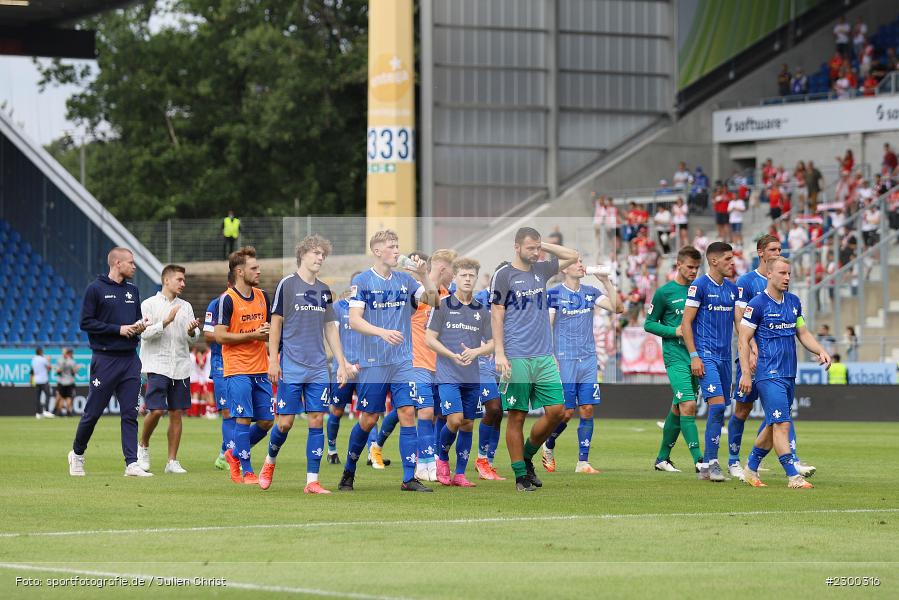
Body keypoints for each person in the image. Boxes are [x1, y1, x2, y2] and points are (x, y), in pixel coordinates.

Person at [338, 230, 440, 493]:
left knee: (407, 412)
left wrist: (424, 274)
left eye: (397, 246)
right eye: (391, 246)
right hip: (373, 362)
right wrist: (383, 332)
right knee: (369, 418)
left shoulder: (406, 280)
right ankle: (349, 471)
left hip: (403, 360)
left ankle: (408, 479)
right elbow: (354, 320)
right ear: (377, 250)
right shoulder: (362, 281)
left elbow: (435, 300)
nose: (397, 250)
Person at [491, 227, 579, 491]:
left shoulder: (541, 269)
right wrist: (499, 353)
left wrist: (546, 247)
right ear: (516, 247)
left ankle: (527, 455)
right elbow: (497, 314)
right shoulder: (503, 275)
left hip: (543, 356)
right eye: (530, 247)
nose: (535, 252)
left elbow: (573, 256)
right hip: (516, 356)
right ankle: (520, 475)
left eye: (537, 247)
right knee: (517, 416)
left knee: (557, 412)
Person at [263, 235, 349, 493]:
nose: (320, 258)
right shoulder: (286, 285)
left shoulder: (324, 290)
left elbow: (331, 330)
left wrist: (342, 364)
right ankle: (270, 461)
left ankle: (312, 480)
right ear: (303, 255)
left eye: (323, 254)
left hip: (318, 367)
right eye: (316, 253)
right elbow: (275, 323)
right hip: (291, 364)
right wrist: (273, 359)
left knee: (316, 420)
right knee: (285, 423)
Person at [739, 257, 831, 489]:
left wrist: (821, 350)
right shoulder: (757, 304)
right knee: (782, 424)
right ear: (769, 274)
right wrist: (745, 374)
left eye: (789, 273)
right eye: (782, 273)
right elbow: (743, 339)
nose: (787, 277)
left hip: (789, 373)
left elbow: (802, 332)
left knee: (773, 424)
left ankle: (750, 468)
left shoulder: (793, 302)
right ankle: (793, 476)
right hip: (768, 373)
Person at [370, 250, 456, 478]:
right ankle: (424, 463)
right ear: (442, 269)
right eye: (453, 271)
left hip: (439, 363)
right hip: (413, 360)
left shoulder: (447, 294)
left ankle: (380, 446)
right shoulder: (410, 293)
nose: (455, 276)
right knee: (423, 411)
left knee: (425, 412)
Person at [69, 247, 149, 477]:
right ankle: (77, 453)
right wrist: (118, 330)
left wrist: (139, 326)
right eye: (130, 263)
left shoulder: (133, 291)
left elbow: (133, 322)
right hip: (105, 359)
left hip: (130, 360)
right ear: (116, 263)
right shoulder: (95, 289)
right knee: (92, 413)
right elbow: (86, 323)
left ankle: (131, 463)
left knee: (130, 413)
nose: (134, 266)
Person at [541, 258, 621, 474]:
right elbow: (547, 326)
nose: (581, 265)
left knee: (586, 409)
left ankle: (582, 462)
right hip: (564, 358)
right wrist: (551, 356)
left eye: (581, 262)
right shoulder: (554, 294)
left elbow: (618, 308)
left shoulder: (591, 292)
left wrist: (606, 282)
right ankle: (548, 444)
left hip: (587, 358)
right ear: (565, 268)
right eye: (575, 263)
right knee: (565, 413)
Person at [425, 257, 494, 487]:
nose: (467, 279)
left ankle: (460, 474)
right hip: (447, 375)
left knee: (468, 424)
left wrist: (476, 352)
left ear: (475, 279)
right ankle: (442, 458)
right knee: (454, 420)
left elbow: (494, 342)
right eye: (463, 275)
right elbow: (429, 338)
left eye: (471, 275)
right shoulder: (442, 305)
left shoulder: (481, 311)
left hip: (472, 376)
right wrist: (450, 354)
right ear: (454, 277)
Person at [680, 241, 738, 483]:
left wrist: (751, 348)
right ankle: (711, 462)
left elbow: (740, 323)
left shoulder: (732, 289)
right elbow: (686, 323)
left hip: (726, 358)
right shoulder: (700, 285)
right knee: (716, 406)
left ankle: (706, 466)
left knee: (722, 407)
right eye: (727, 259)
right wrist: (694, 356)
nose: (732, 263)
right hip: (706, 355)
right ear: (714, 261)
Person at [215, 246, 273, 485]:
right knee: (243, 418)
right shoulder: (227, 300)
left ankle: (233, 452)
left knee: (267, 421)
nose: (258, 271)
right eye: (254, 268)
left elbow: (267, 332)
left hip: (261, 367)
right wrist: (253, 335)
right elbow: (220, 336)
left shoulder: (262, 296)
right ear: (240, 271)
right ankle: (247, 470)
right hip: (237, 367)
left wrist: (269, 335)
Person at [137, 264, 202, 474]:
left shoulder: (186, 306)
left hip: (181, 366)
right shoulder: (149, 304)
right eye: (179, 280)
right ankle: (143, 446)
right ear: (167, 280)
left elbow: (193, 338)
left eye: (183, 280)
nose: (183, 284)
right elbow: (143, 334)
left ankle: (171, 461)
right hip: (157, 364)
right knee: (156, 410)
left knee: (176, 413)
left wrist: (193, 332)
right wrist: (165, 322)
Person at [645, 246, 704, 472]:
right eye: (689, 267)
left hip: (696, 356)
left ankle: (662, 458)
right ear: (678, 264)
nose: (693, 272)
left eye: (697, 268)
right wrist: (674, 331)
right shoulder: (664, 293)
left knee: (679, 408)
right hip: (675, 357)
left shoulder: (699, 290)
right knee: (688, 405)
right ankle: (700, 460)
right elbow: (648, 323)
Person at [326, 274, 362, 464]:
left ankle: (373, 451)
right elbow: (333, 336)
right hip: (341, 368)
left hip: (365, 368)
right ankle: (331, 449)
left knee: (369, 410)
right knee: (337, 410)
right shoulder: (339, 307)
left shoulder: (370, 309)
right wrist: (344, 363)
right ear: (351, 286)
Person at [473, 279, 506, 481]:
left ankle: (488, 461)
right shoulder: (479, 299)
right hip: (480, 362)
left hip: (501, 363)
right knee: (491, 409)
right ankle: (481, 459)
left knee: (498, 412)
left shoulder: (511, 300)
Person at [205, 272, 234, 470]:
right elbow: (207, 334)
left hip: (245, 361)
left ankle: (227, 452)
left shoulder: (253, 301)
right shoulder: (216, 304)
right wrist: (235, 337)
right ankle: (228, 457)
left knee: (245, 413)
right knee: (227, 410)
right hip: (221, 360)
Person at [54, 348, 78, 417]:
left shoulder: (59, 360)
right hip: (70, 381)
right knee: (69, 397)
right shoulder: (72, 361)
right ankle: (68, 411)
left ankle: (60, 412)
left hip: (62, 381)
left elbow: (57, 371)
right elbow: (74, 372)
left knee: (61, 397)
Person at [31, 347, 54, 419]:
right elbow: (49, 367)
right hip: (44, 380)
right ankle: (46, 411)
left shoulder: (33, 359)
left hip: (37, 380)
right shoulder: (43, 359)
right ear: (41, 352)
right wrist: (49, 360)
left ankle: (38, 413)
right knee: (48, 394)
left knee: (38, 397)